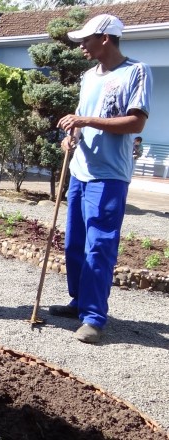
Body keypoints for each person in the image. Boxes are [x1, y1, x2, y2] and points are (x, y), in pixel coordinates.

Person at [54, 14, 152, 343]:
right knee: (74, 244)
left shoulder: (136, 72)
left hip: (109, 175)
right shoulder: (88, 77)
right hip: (80, 170)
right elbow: (82, 122)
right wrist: (73, 136)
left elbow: (136, 123)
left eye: (86, 39)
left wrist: (85, 119)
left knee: (99, 246)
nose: (81, 45)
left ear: (106, 38)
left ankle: (94, 318)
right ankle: (80, 301)